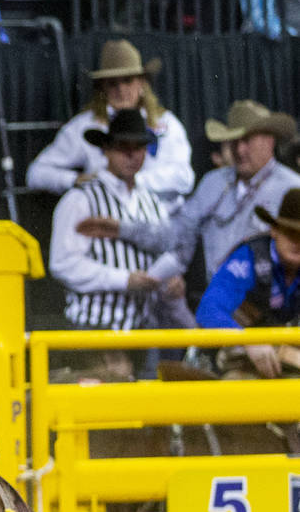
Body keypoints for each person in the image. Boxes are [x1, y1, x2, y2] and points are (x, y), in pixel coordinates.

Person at [76, 100, 300, 286]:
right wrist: (123, 228)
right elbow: (177, 233)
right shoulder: (214, 182)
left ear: (270, 140)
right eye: (234, 140)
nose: (239, 149)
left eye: (247, 140)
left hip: (271, 308)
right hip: (219, 303)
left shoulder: (292, 188)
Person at [49, 109, 191, 377]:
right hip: (95, 327)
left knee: (144, 407)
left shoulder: (151, 202)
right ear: (106, 150)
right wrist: (123, 279)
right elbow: (62, 263)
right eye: (122, 147)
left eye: (137, 147)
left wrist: (171, 282)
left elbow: (167, 254)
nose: (131, 154)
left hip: (143, 330)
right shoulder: (81, 199)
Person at [26, 39, 194, 206]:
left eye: (127, 80)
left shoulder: (166, 123)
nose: (120, 89)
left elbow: (184, 177)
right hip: (108, 220)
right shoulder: (86, 125)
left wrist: (134, 181)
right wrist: (76, 180)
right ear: (103, 88)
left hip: (162, 221)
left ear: (141, 83)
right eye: (113, 83)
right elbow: (36, 174)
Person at [195, 188, 300, 377]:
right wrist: (246, 340)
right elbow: (209, 309)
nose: (298, 243)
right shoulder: (248, 258)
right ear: (274, 230)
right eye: (291, 233)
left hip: (288, 361)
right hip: (232, 358)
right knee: (237, 381)